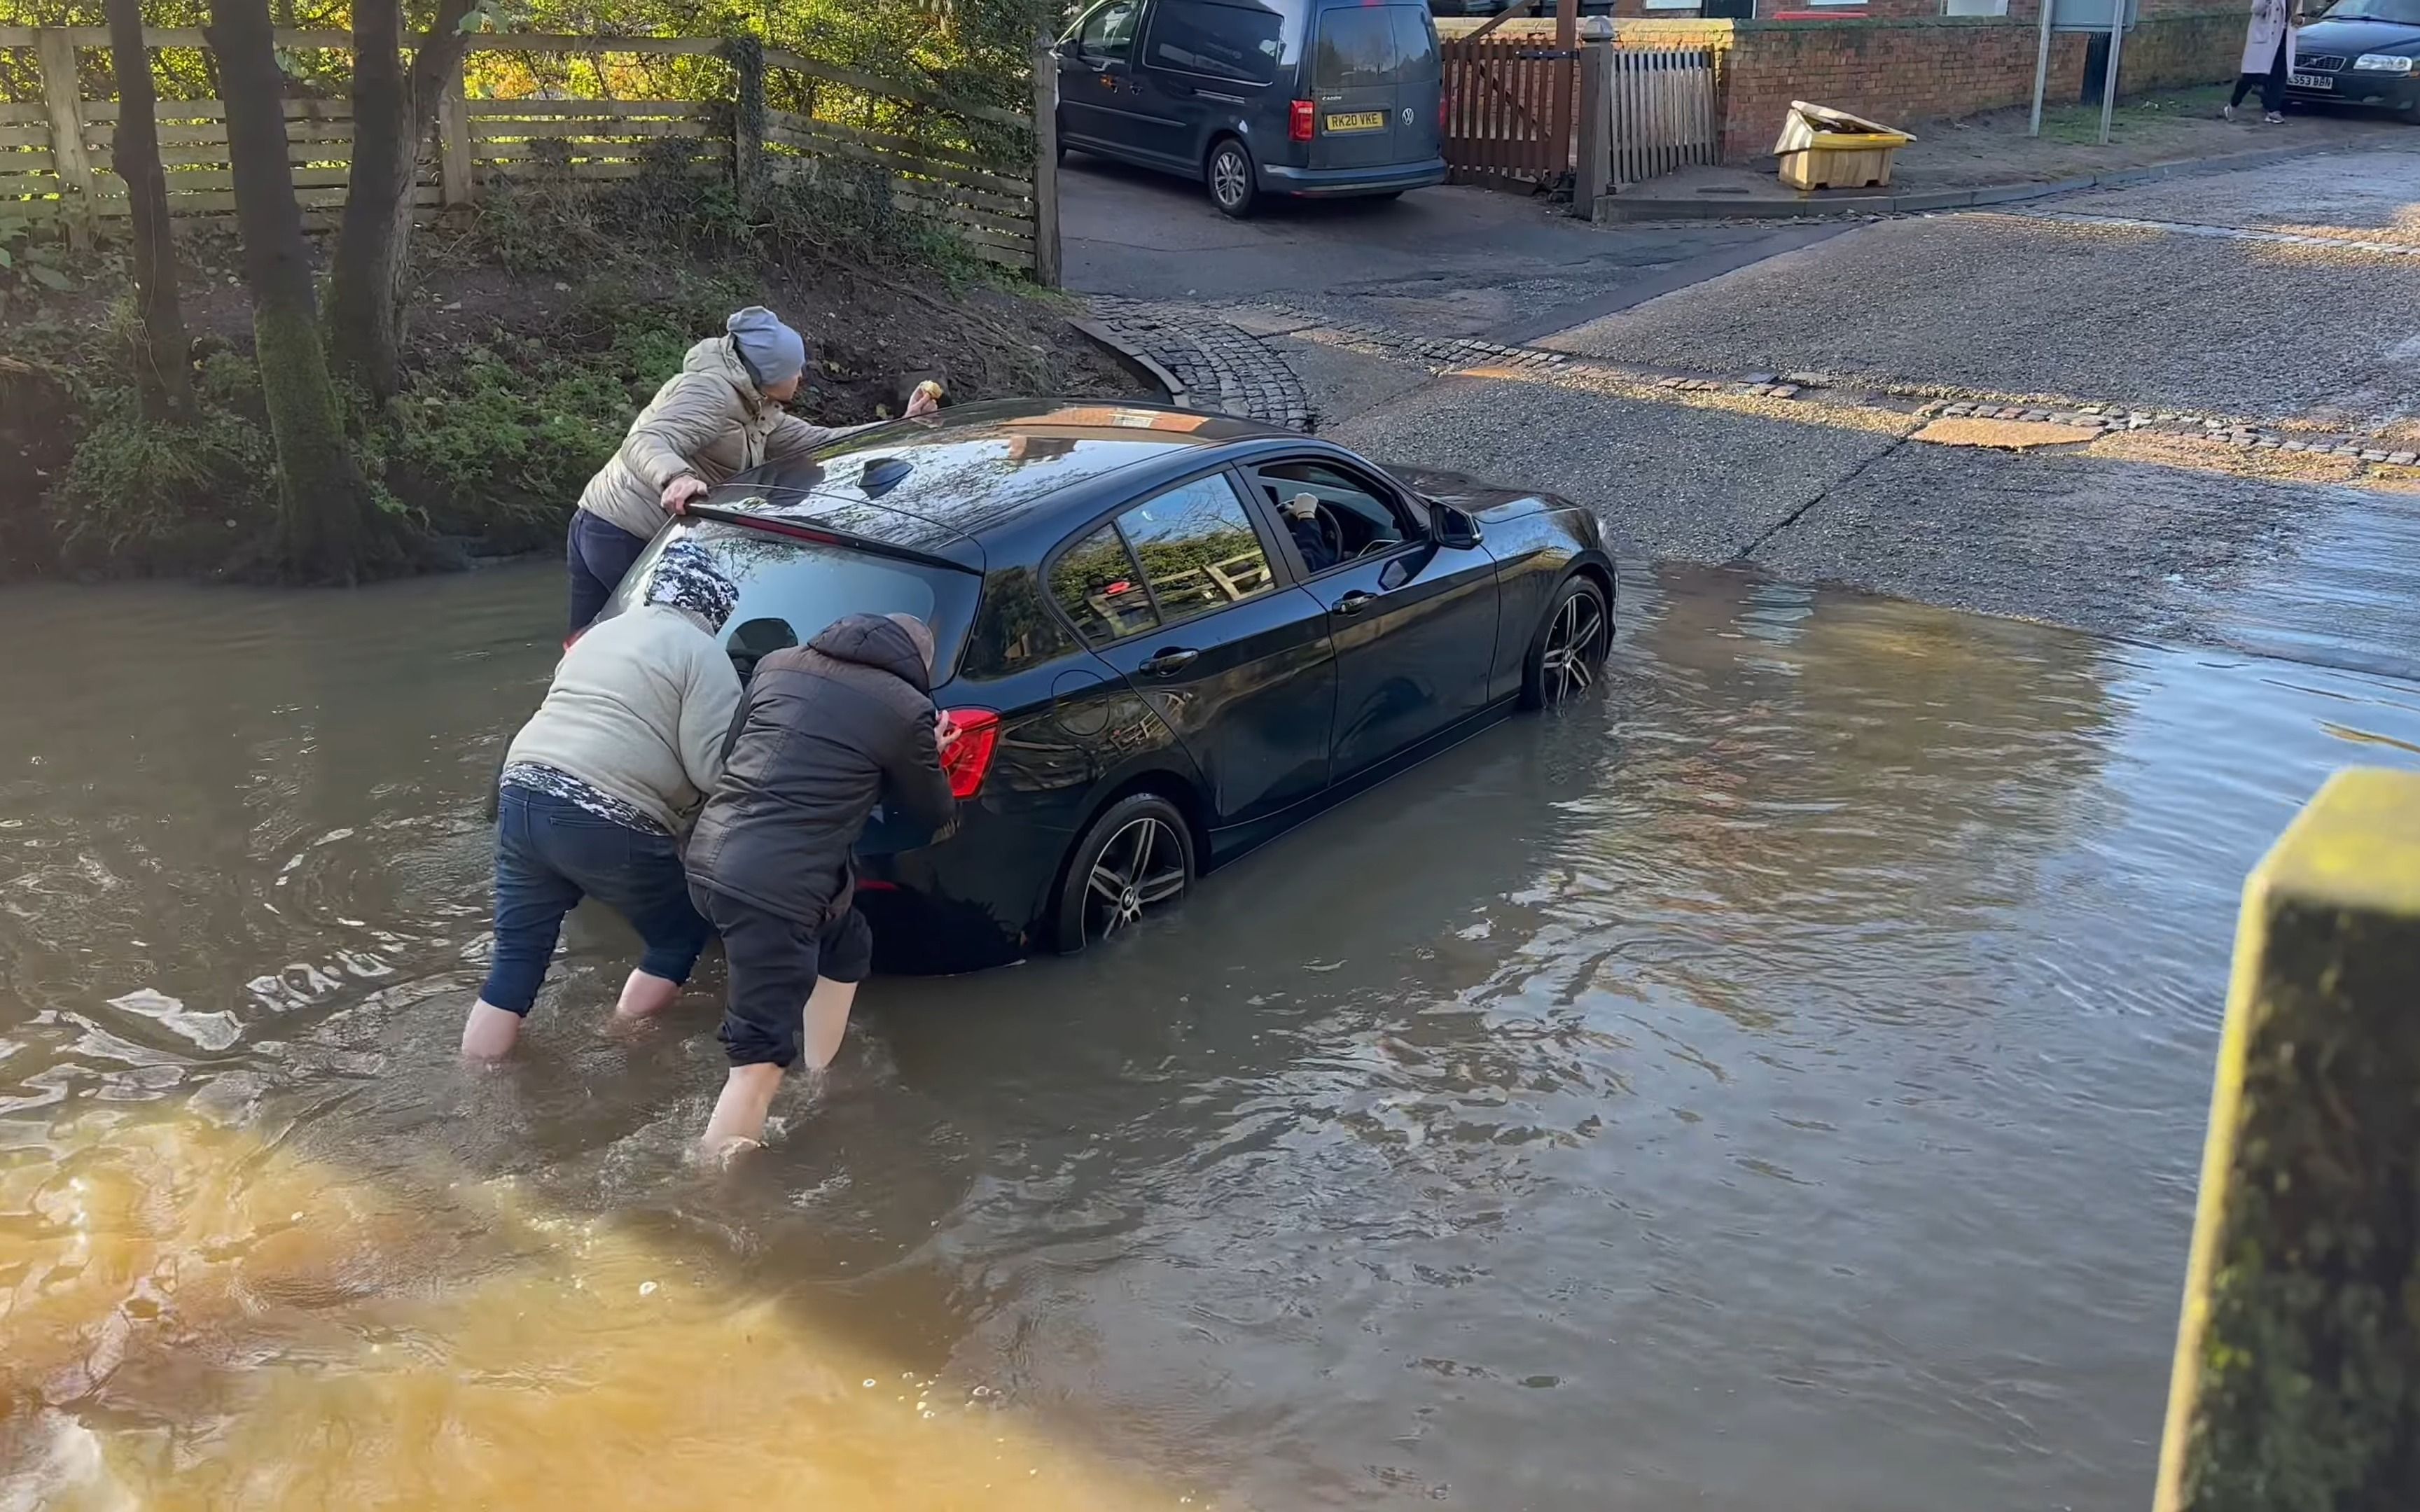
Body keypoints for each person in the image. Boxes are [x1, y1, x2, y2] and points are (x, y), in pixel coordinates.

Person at [683, 612, 960, 1155]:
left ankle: (823, 1077)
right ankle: (715, 1190)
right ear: (919, 664)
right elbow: (933, 811)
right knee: (759, 1060)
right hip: (776, 890)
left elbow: (730, 755)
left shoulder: (775, 665)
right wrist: (934, 754)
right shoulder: (908, 710)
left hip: (707, 857)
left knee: (847, 945)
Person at [461, 540, 746, 1060]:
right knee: (679, 936)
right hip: (603, 815)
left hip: (521, 792)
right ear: (713, 606)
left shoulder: (600, 634)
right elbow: (712, 768)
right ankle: (617, 1044)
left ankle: (476, 1080)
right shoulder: (703, 653)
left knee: (516, 962)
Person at [564, 307, 939, 635]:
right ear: (771, 371)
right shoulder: (710, 392)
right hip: (621, 532)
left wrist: (901, 427)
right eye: (796, 369)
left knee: (587, 648)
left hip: (608, 525)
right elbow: (645, 441)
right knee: (649, 649)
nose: (802, 378)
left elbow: (821, 441)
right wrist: (676, 477)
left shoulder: (758, 409)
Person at [2225, 0, 2297, 125]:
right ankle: (2233, 104)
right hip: (2266, 37)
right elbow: (2256, 9)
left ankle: (2273, 111)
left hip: (2285, 36)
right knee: (2252, 75)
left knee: (2279, 74)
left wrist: (2300, 20)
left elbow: (2298, 12)